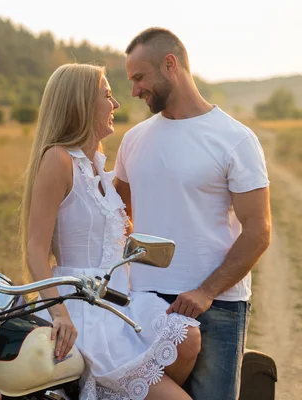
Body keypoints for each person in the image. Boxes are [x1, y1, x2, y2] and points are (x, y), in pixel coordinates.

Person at [20, 62, 201, 400]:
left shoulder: (99, 168)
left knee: (187, 336)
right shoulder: (58, 161)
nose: (116, 104)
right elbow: (35, 248)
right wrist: (60, 314)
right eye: (107, 95)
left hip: (118, 299)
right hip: (82, 306)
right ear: (81, 104)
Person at [114, 27, 272, 400]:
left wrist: (205, 291)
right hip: (143, 307)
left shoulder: (234, 139)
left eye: (139, 77)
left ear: (170, 65)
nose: (134, 90)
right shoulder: (133, 140)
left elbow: (258, 231)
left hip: (216, 309)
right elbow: (117, 217)